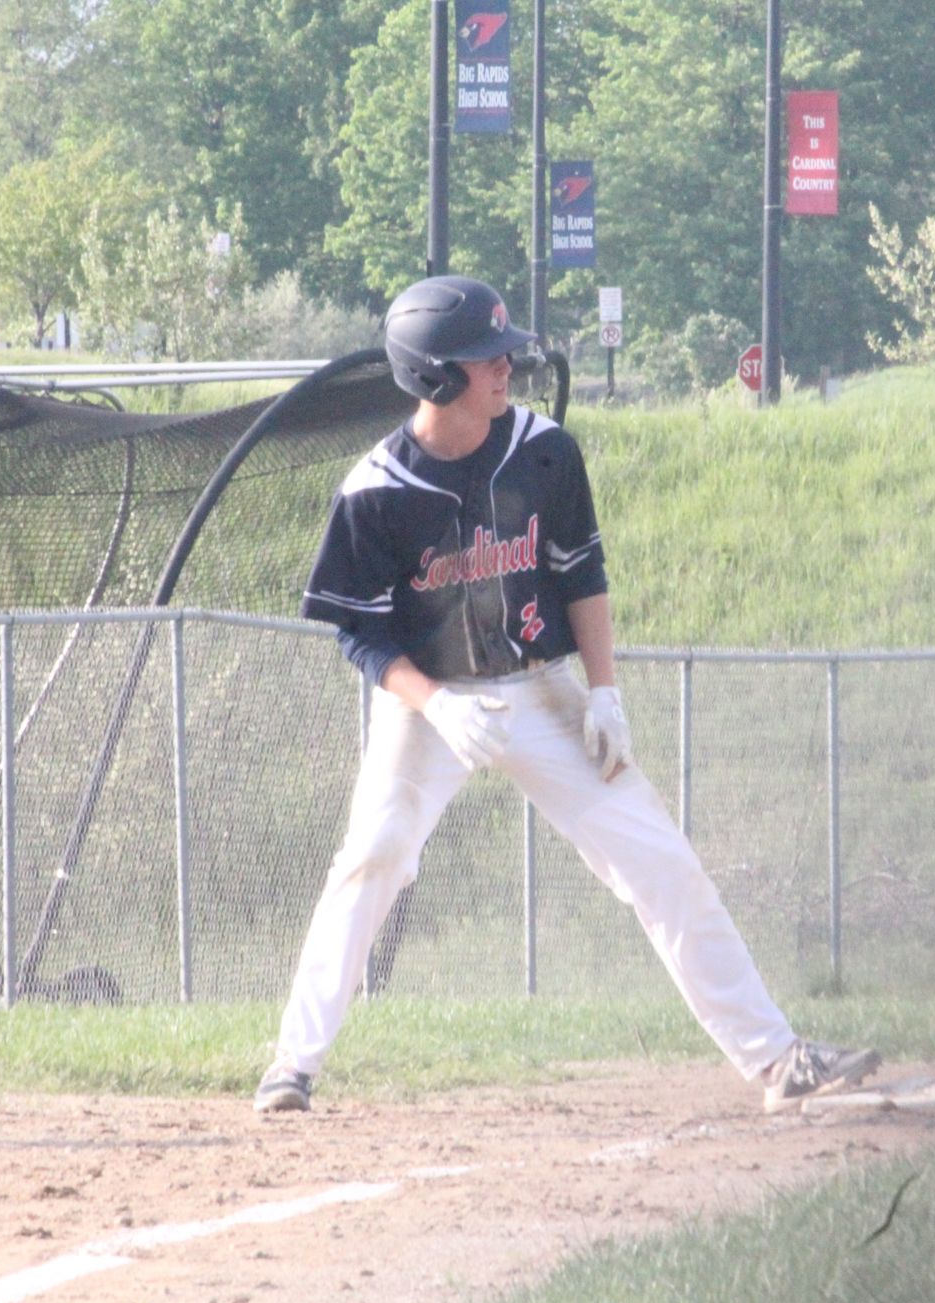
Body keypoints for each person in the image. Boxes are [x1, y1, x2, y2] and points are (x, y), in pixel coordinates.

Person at [254, 276, 879, 1116]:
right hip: (427, 704)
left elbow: (582, 571)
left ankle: (777, 1061)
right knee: (374, 853)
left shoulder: (546, 450)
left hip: (542, 688)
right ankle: (292, 1065)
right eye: (485, 356)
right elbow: (361, 635)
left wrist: (605, 695)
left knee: (661, 861)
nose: (507, 364)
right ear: (436, 377)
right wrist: (435, 703)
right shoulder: (374, 492)